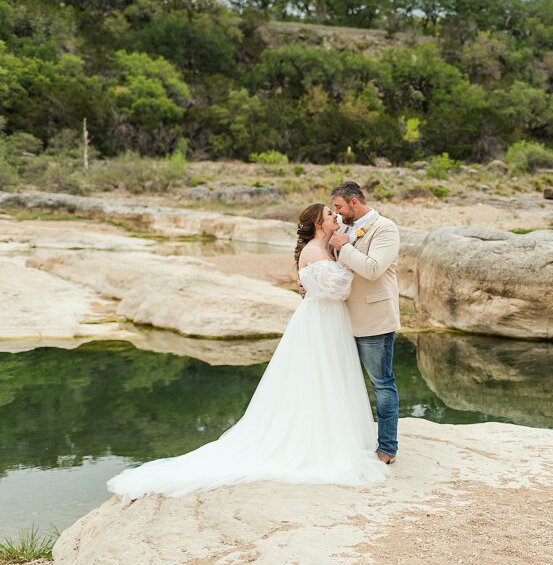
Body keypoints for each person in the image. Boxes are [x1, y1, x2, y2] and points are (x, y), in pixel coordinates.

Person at [106, 203, 388, 499]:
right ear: (319, 223)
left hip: (331, 321)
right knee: (317, 375)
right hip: (320, 321)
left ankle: (334, 435)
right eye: (331, 215)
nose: (336, 217)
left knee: (333, 376)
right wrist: (345, 259)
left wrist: (342, 248)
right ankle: (315, 439)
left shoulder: (327, 247)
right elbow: (339, 289)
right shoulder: (314, 252)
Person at [329, 181, 401, 464]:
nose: (336, 213)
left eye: (339, 207)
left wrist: (344, 248)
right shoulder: (345, 228)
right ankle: (350, 441)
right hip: (343, 319)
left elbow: (372, 269)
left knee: (382, 384)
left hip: (374, 321)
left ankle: (387, 448)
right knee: (345, 382)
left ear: (354, 203)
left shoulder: (385, 228)